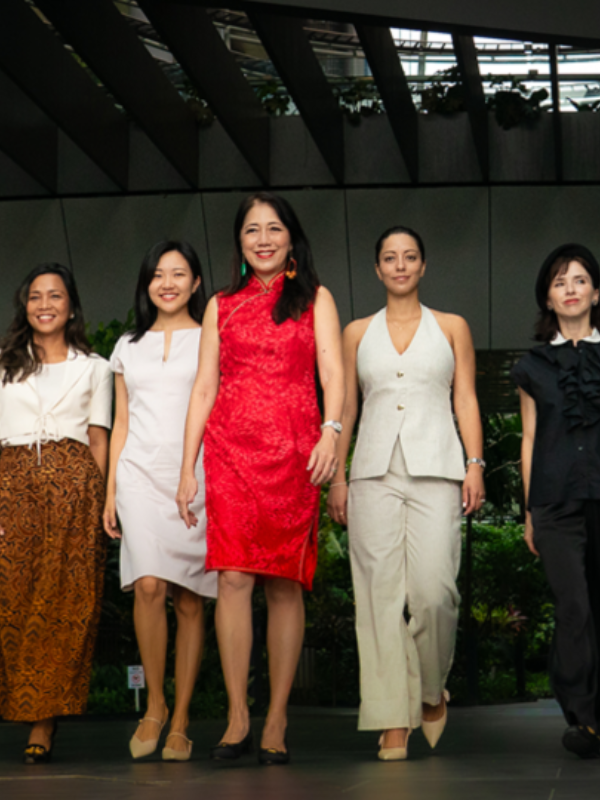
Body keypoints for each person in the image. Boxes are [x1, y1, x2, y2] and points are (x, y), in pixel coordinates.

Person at [177, 192, 344, 765]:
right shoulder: (220, 305)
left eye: (274, 229)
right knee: (232, 581)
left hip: (297, 452)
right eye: (253, 231)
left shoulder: (316, 299)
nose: (264, 239)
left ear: (291, 239)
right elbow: (203, 387)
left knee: (283, 584)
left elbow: (333, 373)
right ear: (240, 243)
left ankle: (275, 719)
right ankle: (237, 717)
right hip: (230, 452)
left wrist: (333, 432)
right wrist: (186, 470)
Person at [328, 226, 485, 760]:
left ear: (423, 266)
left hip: (438, 468)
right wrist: (337, 476)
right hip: (371, 472)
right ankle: (392, 717)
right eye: (389, 258)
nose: (400, 265)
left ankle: (427, 691)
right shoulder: (355, 333)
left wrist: (475, 464)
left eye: (409, 257)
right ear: (377, 269)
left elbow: (465, 398)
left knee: (436, 592)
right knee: (378, 599)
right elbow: (346, 408)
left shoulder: (452, 327)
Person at [103, 241, 217, 761]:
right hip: (139, 475)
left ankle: (184, 716)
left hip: (196, 476)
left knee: (189, 597)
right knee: (147, 585)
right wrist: (110, 492)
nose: (167, 282)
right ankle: (154, 705)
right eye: (157, 274)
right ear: (147, 283)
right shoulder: (128, 345)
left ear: (197, 283)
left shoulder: (213, 339)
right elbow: (120, 421)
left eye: (179, 273)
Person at [0, 264, 112, 763]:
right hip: (11, 485)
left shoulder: (97, 367)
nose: (45, 304)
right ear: (24, 305)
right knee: (10, 599)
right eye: (35, 296)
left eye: (56, 295)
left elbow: (98, 438)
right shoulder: (4, 364)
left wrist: (97, 500)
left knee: (62, 606)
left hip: (73, 491)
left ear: (71, 305)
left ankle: (42, 721)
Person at [512, 243, 600, 759]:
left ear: (596, 292)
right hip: (555, 503)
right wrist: (528, 511)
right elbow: (528, 438)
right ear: (547, 296)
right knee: (573, 605)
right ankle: (582, 719)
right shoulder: (532, 365)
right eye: (560, 281)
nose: (570, 289)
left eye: (580, 280)